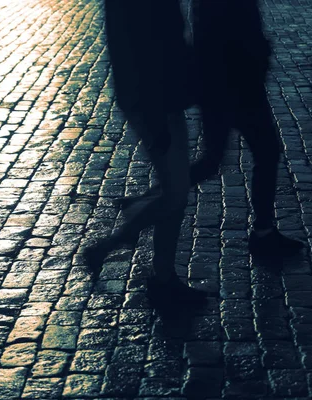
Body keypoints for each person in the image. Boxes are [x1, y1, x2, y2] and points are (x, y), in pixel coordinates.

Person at [119, 0, 304, 258]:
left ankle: (147, 201)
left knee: (215, 160)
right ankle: (263, 231)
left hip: (220, 82)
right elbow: (233, 26)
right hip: (237, 81)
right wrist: (257, 55)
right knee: (263, 153)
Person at [84, 0, 207, 311]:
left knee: (174, 191)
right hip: (154, 101)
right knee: (175, 194)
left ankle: (164, 277)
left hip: (155, 97)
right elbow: (145, 49)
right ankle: (111, 245)